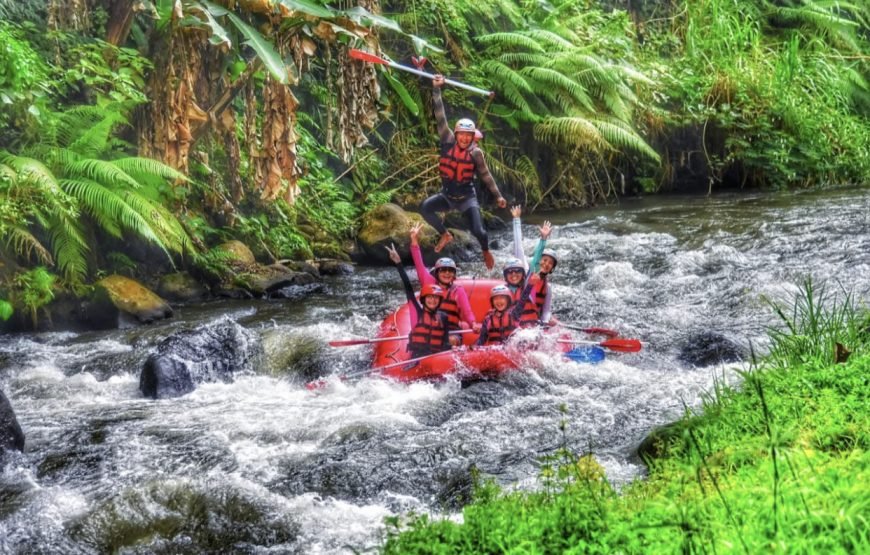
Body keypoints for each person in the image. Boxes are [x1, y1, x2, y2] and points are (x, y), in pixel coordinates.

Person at [420, 74, 507, 270]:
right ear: (457, 134)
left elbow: (486, 176)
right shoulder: (447, 139)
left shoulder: (476, 153)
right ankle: (445, 233)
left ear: (473, 137)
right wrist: (436, 89)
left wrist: (498, 196)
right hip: (448, 195)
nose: (465, 139)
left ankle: (485, 251)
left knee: (480, 232)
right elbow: (439, 114)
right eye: (462, 135)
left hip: (467, 197)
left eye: (469, 136)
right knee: (425, 207)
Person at [386, 243, 453, 358]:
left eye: (436, 298)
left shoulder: (443, 317)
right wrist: (398, 263)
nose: (433, 300)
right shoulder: (417, 311)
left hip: (437, 357)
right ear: (423, 299)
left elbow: (445, 342)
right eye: (430, 297)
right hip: (418, 357)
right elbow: (408, 287)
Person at [409, 222, 475, 331]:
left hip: (451, 331)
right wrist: (414, 240)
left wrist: (472, 323)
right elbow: (419, 264)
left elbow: (467, 312)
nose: (447, 273)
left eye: (450, 271)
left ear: (454, 275)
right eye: (443, 270)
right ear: (437, 273)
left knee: (452, 340)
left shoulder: (458, 291)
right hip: (431, 330)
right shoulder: (428, 282)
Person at [502, 205, 554, 326]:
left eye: (550, 263)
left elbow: (546, 311)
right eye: (544, 260)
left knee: (553, 322)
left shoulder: (547, 287)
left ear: (552, 269)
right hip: (518, 321)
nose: (546, 264)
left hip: (534, 321)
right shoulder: (528, 277)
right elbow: (519, 248)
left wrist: (544, 323)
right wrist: (516, 220)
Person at [474, 279, 537, 346]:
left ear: (508, 300)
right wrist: (473, 348)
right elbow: (481, 341)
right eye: (496, 298)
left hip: (511, 351)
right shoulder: (488, 320)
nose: (499, 301)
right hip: (495, 352)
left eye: (502, 298)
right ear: (492, 302)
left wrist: (530, 285)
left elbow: (523, 299)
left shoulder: (514, 314)